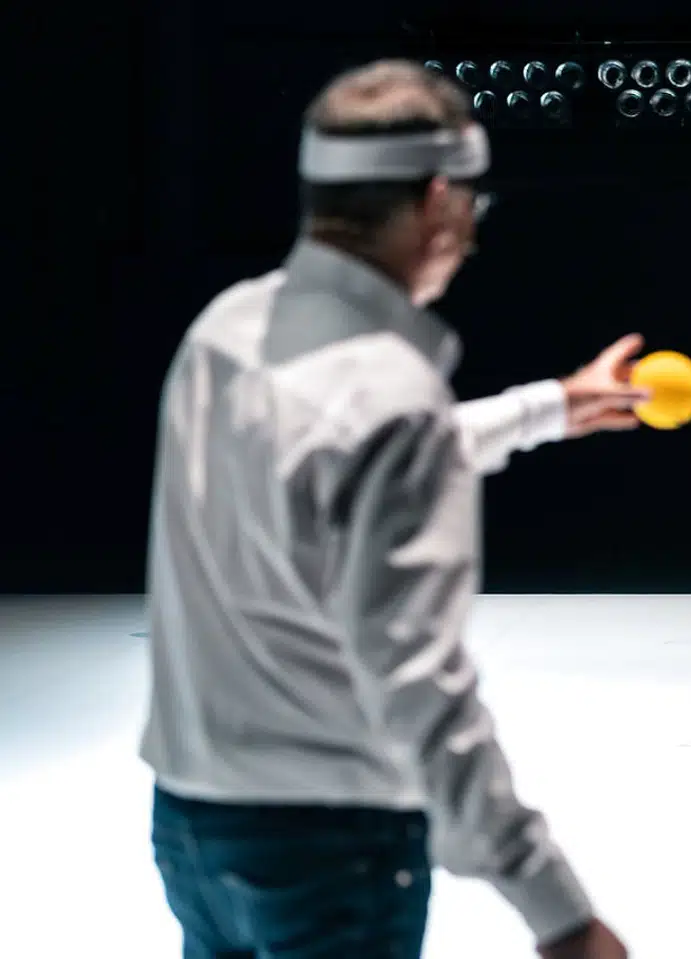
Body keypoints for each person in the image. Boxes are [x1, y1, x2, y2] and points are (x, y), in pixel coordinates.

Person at [140, 60, 636, 958]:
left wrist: (548, 407)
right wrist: (557, 909)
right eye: (473, 205)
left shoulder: (222, 329)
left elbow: (331, 463)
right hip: (331, 845)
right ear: (439, 200)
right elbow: (419, 683)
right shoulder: (393, 396)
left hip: (189, 826)